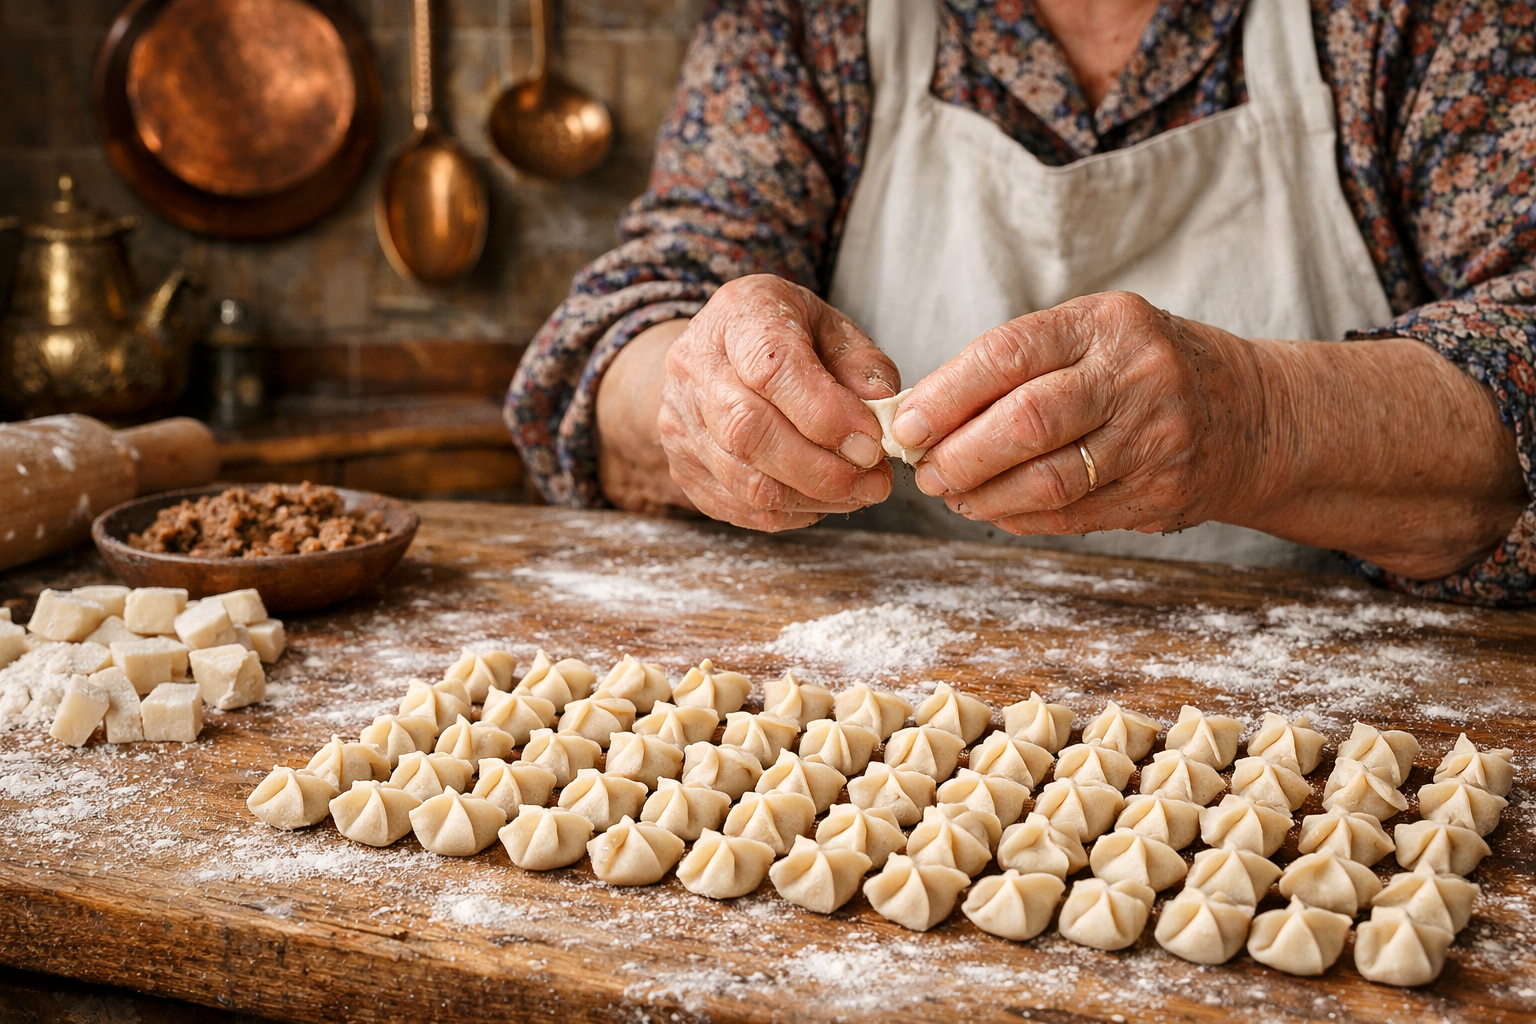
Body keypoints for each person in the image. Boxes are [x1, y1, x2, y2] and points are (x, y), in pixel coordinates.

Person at [506, 0, 1536, 607]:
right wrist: (703, 392)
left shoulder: (1414, 22)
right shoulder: (803, 22)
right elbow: (621, 334)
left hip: (1339, 747)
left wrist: (1257, 420)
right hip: (864, 732)